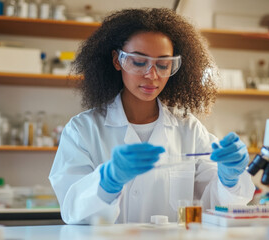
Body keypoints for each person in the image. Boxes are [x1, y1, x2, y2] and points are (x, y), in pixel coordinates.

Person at [49, 8, 255, 224]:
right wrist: (107, 181)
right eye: (139, 62)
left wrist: (229, 179)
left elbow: (217, 208)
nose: (152, 75)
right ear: (117, 60)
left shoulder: (189, 129)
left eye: (163, 64)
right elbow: (73, 212)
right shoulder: (83, 130)